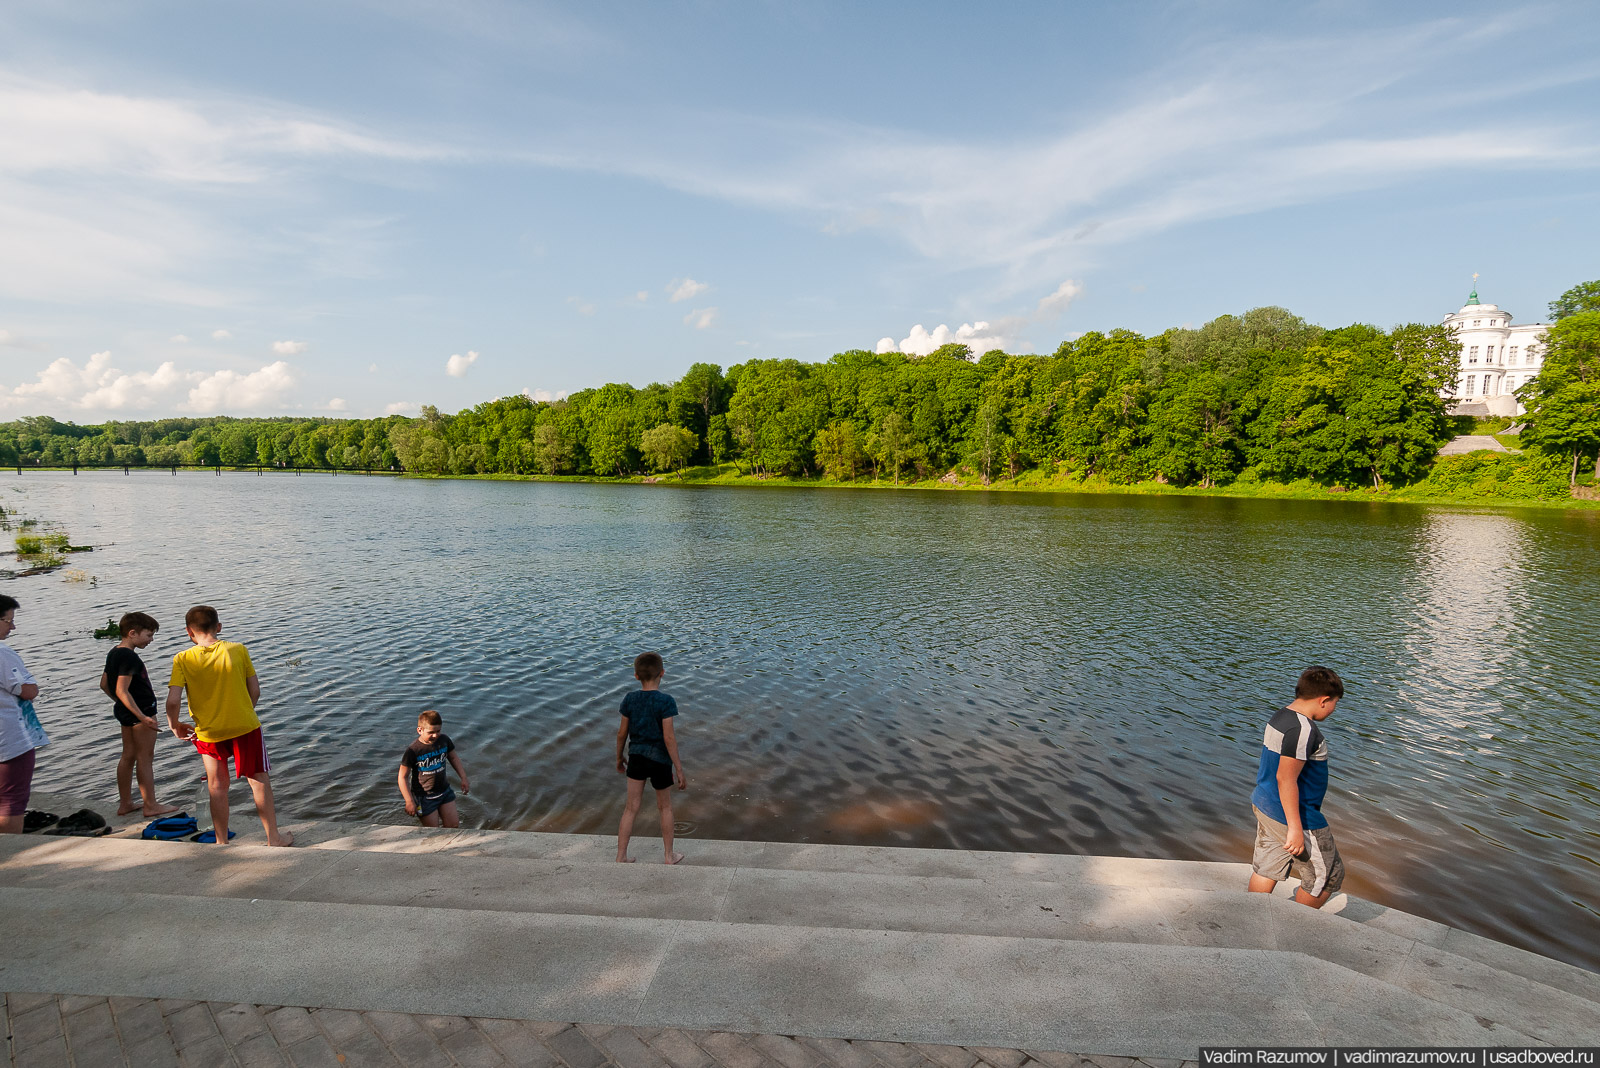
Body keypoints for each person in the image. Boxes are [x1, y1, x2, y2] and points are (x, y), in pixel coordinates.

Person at [165, 605, 292, 846]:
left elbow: (173, 701)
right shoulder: (237, 650)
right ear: (219, 627)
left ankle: (221, 842)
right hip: (244, 727)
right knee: (258, 780)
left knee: (216, 785)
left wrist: (175, 725)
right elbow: (255, 690)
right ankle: (273, 838)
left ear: (188, 632)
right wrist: (243, 710)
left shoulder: (182, 658)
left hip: (208, 732)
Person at [1247, 665, 1346, 907]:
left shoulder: (1281, 716)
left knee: (1267, 868)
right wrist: (1295, 828)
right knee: (1327, 877)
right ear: (1324, 700)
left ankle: (1249, 916)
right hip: (1295, 815)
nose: (1334, 709)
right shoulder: (1303, 730)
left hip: (1265, 803)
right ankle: (1293, 926)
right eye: (1335, 703)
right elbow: (1286, 778)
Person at [99, 612, 181, 818]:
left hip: (126, 713)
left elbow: (104, 685)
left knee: (128, 755)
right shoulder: (129, 657)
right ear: (132, 633)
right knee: (145, 757)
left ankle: (125, 803)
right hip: (141, 714)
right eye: (149, 635)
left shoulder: (114, 653)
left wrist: (123, 706)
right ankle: (150, 805)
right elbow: (121, 690)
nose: (151, 640)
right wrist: (142, 716)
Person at [614, 651, 687, 864]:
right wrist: (679, 768)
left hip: (635, 757)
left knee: (631, 807)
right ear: (662, 673)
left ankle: (621, 856)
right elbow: (669, 738)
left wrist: (619, 757)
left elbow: (621, 734)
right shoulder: (666, 701)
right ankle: (668, 856)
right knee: (665, 807)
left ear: (636, 676)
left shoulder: (630, 699)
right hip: (660, 761)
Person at [0, 595, 46, 835]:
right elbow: (27, 691)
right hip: (9, 740)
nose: (13, 627)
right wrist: (32, 685)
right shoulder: (2, 653)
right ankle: (10, 859)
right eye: (9, 621)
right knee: (11, 802)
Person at [398, 710, 470, 828]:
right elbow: (402, 776)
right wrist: (409, 801)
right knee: (433, 832)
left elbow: (453, 758)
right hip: (424, 797)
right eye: (431, 732)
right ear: (420, 730)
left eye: (438, 731)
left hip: (444, 791)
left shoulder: (444, 740)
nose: (435, 735)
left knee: (453, 826)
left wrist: (463, 778)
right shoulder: (413, 750)